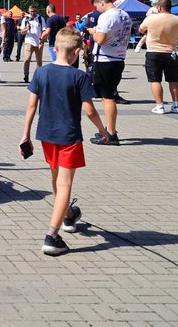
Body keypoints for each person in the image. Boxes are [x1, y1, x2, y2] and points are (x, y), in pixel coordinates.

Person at [20, 27, 109, 256]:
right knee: (64, 186)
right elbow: (89, 111)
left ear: (54, 48)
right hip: (69, 136)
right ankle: (52, 235)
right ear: (77, 52)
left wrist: (25, 134)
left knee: (55, 179)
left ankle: (69, 216)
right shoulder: (79, 76)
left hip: (46, 136)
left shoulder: (40, 73)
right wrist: (103, 130)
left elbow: (31, 106)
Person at [87, 0, 132, 146]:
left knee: (107, 97)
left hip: (106, 60)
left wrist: (93, 32)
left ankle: (111, 134)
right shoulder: (125, 15)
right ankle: (109, 129)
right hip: (119, 58)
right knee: (109, 95)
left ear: (101, 2)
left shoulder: (107, 16)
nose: (97, 10)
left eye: (97, 7)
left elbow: (99, 39)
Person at [138, 0, 178, 115]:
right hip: (171, 53)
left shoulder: (151, 19)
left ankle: (160, 106)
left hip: (154, 51)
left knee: (155, 80)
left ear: (159, 7)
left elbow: (141, 30)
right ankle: (176, 105)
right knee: (174, 80)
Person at [19, 5, 48, 83]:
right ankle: (26, 75)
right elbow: (22, 32)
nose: (32, 13)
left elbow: (44, 31)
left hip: (38, 41)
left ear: (36, 11)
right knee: (27, 58)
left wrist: (42, 41)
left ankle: (38, 76)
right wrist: (27, 29)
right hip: (29, 41)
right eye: (31, 11)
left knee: (39, 60)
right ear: (29, 11)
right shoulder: (25, 19)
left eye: (34, 11)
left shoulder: (40, 19)